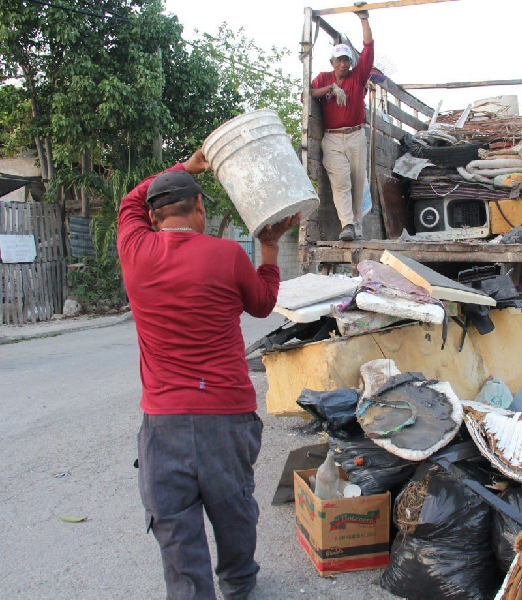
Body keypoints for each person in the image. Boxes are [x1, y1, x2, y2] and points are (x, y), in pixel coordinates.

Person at [117, 149, 300, 599]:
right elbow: (262, 305)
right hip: (227, 414)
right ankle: (238, 583)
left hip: (164, 421)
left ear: (153, 217)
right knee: (234, 508)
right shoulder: (227, 255)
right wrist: (269, 249)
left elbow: (128, 202)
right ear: (199, 207)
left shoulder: (135, 250)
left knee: (175, 527)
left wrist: (184, 165)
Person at [310, 10, 373, 242]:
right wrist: (330, 89)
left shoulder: (357, 76)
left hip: (356, 135)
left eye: (346, 60)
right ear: (332, 62)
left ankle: (357, 227)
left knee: (357, 183)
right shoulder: (324, 78)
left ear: (350, 63)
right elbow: (307, 94)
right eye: (339, 60)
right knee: (341, 181)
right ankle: (347, 224)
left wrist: (364, 19)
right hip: (333, 137)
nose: (343, 64)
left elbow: (368, 47)